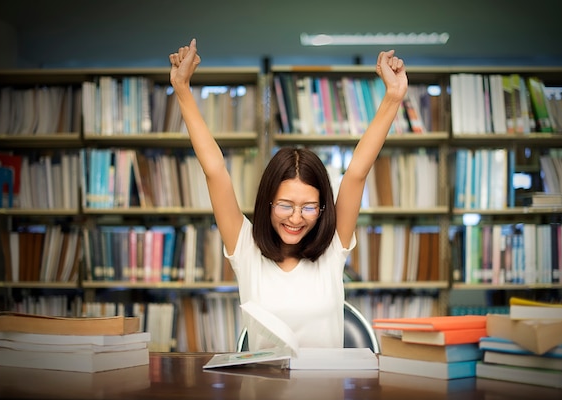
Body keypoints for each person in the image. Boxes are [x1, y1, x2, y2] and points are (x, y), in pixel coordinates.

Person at [169, 38, 408, 351]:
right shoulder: (245, 247)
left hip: (324, 394)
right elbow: (215, 171)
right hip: (264, 396)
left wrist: (393, 97)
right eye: (285, 205)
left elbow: (357, 173)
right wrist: (182, 88)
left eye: (309, 207)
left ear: (323, 209)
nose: (296, 218)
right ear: (268, 202)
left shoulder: (333, 246)